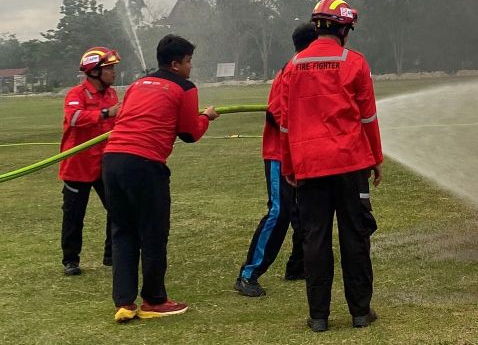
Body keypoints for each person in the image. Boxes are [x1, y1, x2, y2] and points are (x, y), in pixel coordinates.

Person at [280, 0, 383, 332]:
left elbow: (285, 123)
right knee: (355, 236)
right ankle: (360, 312)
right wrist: (376, 158)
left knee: (315, 239)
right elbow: (367, 117)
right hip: (350, 164)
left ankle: (319, 317)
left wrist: (289, 166)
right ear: (343, 29)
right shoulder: (354, 62)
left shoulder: (293, 66)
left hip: (309, 166)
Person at [102, 35, 218, 323]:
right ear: (176, 63)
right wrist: (207, 117)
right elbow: (189, 133)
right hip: (144, 165)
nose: (191, 67)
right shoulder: (184, 87)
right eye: (189, 62)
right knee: (153, 233)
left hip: (112, 160)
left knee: (123, 231)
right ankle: (154, 300)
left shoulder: (136, 85)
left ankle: (124, 303)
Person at [234, 22, 317, 297]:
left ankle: (298, 266)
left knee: (304, 211)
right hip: (280, 155)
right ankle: (248, 274)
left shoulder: (307, 68)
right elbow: (277, 113)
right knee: (279, 212)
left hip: (301, 155)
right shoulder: (291, 70)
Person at [59, 46, 122, 276]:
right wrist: (107, 113)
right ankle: (71, 260)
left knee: (117, 209)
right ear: (94, 72)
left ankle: (112, 255)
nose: (114, 72)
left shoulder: (111, 94)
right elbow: (75, 118)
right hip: (77, 165)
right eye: (109, 68)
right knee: (74, 215)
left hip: (105, 164)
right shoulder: (76, 94)